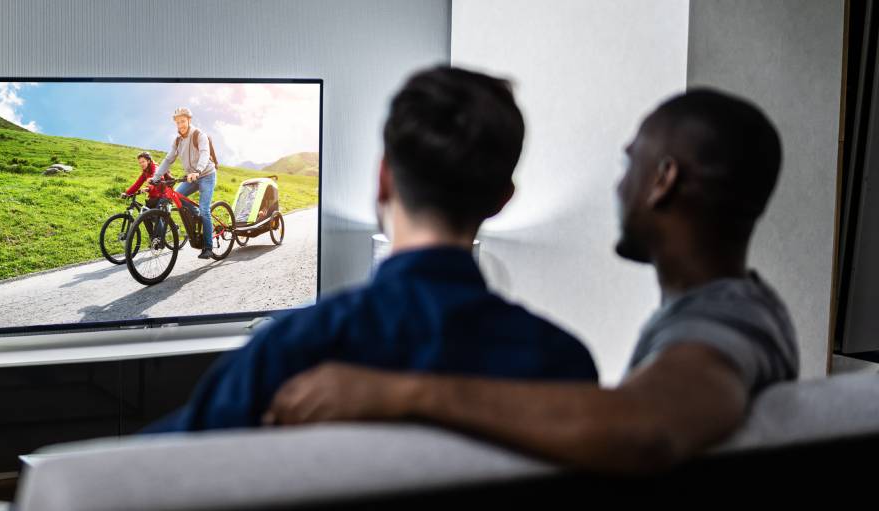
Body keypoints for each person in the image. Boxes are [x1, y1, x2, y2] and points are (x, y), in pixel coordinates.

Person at [264, 89, 798, 475]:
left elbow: (646, 428)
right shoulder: (577, 359)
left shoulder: (729, 320)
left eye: (629, 161)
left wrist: (399, 392)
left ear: (664, 182)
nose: (618, 183)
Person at [142, 66, 599, 433]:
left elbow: (140, 471)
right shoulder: (564, 368)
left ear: (383, 179)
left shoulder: (289, 350)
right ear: (503, 199)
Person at [155, 107, 220, 259]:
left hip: (206, 175)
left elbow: (205, 153)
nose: (180, 125)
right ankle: (195, 213)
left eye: (183, 121)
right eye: (178, 122)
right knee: (176, 196)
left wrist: (197, 171)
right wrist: (156, 177)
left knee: (205, 210)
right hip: (190, 176)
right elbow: (168, 159)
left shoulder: (199, 135)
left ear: (189, 120)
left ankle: (208, 247)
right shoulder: (178, 140)